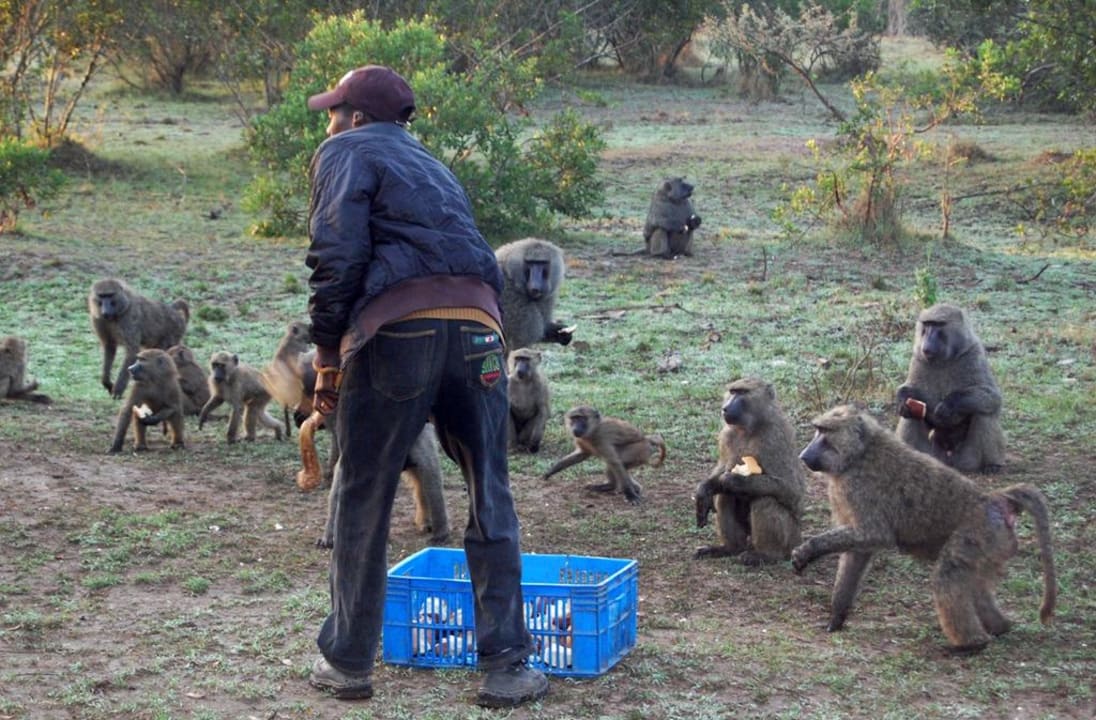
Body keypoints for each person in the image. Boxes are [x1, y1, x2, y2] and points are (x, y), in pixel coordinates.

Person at [302, 65, 549, 709]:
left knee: (363, 493)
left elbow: (337, 255)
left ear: (356, 118)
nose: (327, 121)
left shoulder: (343, 149)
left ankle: (350, 665)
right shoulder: (430, 162)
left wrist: (327, 352)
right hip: (479, 334)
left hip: (397, 333)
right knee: (489, 489)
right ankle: (507, 666)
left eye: (334, 111)